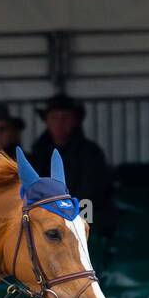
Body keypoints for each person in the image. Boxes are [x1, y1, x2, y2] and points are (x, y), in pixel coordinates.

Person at [28, 93, 116, 239]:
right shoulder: (38, 152)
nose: (59, 123)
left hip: (83, 216)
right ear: (47, 121)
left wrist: (64, 212)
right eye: (54, 117)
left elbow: (91, 193)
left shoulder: (90, 152)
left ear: (75, 120)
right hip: (45, 218)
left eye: (65, 118)